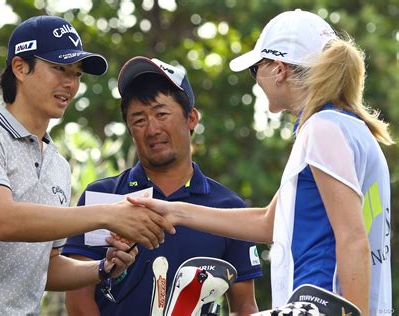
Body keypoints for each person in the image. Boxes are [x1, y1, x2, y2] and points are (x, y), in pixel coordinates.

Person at [128, 10, 393, 316]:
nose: (256, 82)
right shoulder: (352, 128)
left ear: (278, 70)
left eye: (256, 70)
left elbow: (353, 239)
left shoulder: (322, 130)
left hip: (322, 305)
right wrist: (173, 211)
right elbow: (269, 223)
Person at [0, 16, 174, 315]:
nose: (70, 83)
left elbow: (49, 267)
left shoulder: (58, 165)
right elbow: (4, 221)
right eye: (59, 68)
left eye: (77, 73)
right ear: (20, 68)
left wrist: (103, 268)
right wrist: (109, 215)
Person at [62, 56, 263, 315]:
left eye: (161, 113)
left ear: (191, 118)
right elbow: (77, 299)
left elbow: (245, 305)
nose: (152, 128)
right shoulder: (102, 196)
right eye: (139, 119)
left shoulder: (230, 209)